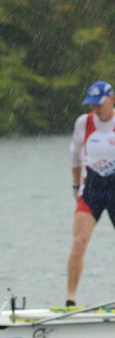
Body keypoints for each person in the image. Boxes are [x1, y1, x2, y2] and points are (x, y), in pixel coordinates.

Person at [65, 80, 115, 308]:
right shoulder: (83, 123)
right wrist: (76, 186)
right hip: (92, 189)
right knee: (78, 242)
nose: (95, 109)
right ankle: (70, 300)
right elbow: (75, 156)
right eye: (91, 105)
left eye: (99, 104)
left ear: (112, 100)